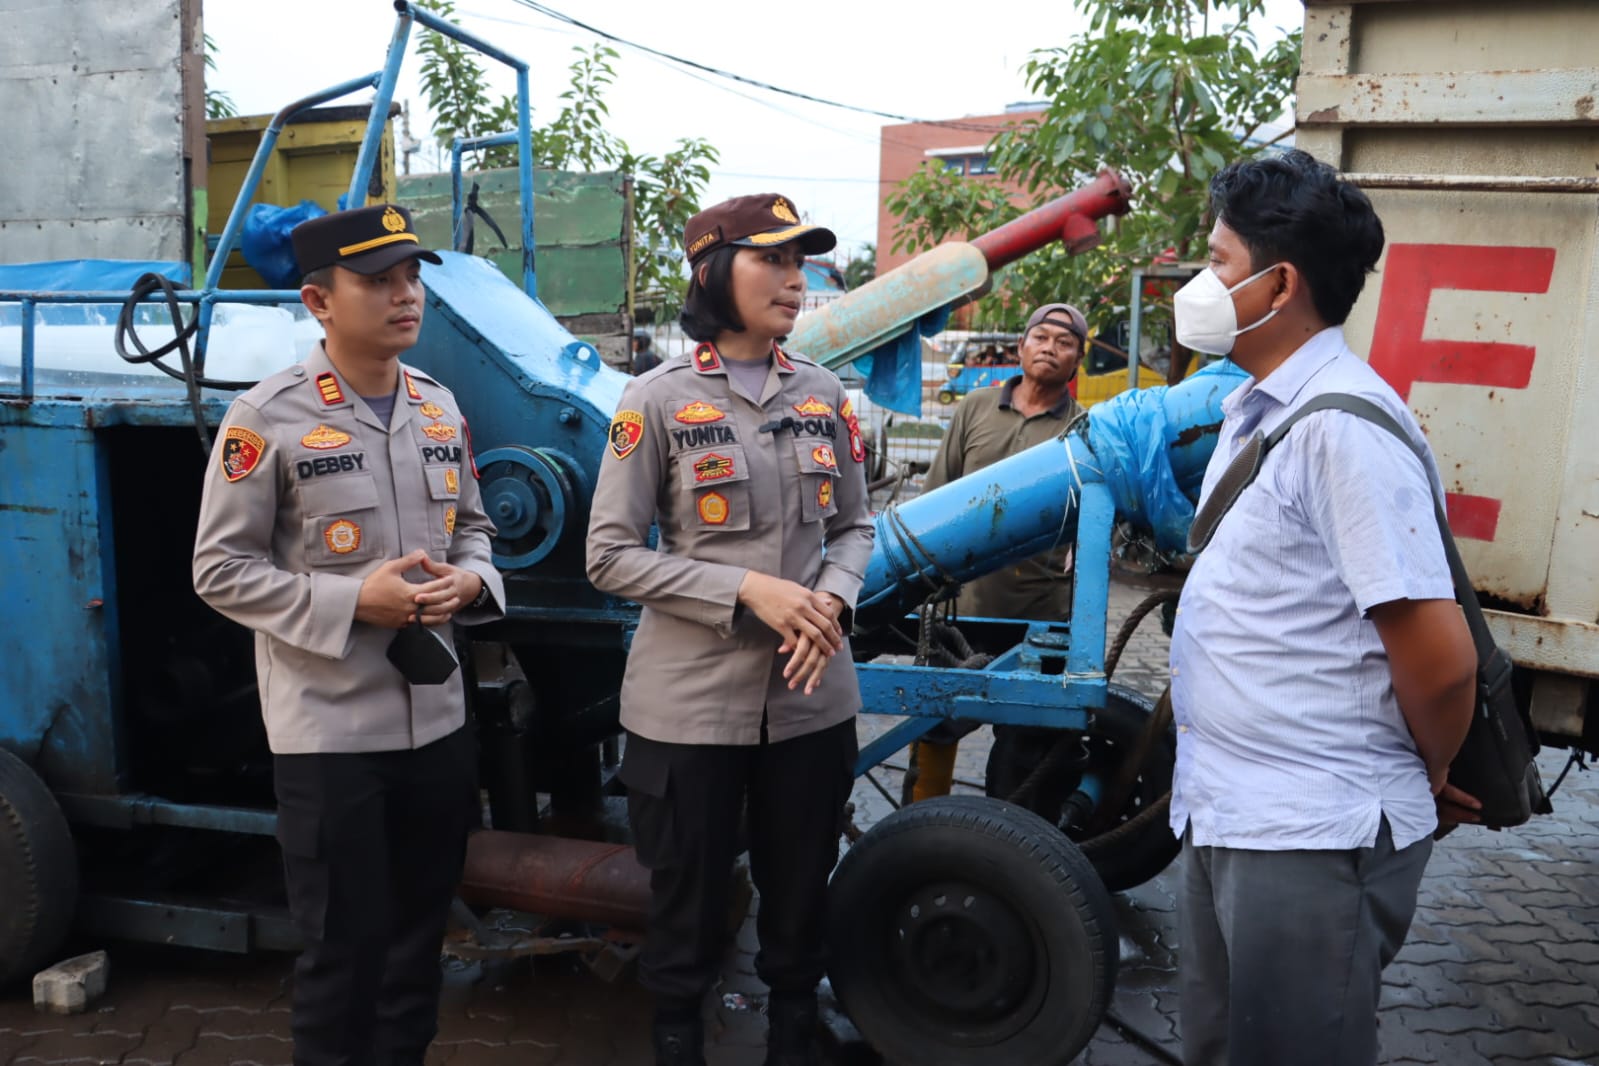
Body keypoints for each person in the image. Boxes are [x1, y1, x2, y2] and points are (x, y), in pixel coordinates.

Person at [1168, 150, 1480, 1066]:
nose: (1204, 282)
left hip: (1310, 827)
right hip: (1229, 809)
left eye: (1219, 262)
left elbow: (1439, 654)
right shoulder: (1260, 408)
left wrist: (1419, 777)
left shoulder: (1343, 426)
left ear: (1280, 283)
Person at [193, 203, 505, 1066]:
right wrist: (349, 604)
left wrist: (474, 579)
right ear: (318, 301)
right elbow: (218, 571)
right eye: (378, 281)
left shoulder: (441, 409)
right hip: (330, 738)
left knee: (418, 951)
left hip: (439, 724)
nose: (406, 296)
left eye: (412, 278)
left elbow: (475, 529)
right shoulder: (268, 418)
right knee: (342, 955)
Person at [586, 192, 873, 1066]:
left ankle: (793, 1025)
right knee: (689, 892)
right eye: (772, 260)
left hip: (808, 698)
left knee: (799, 880)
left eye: (800, 263)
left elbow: (856, 526)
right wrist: (747, 588)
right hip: (689, 707)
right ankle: (677, 1034)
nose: (795, 280)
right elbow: (607, 556)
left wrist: (829, 597)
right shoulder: (657, 399)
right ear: (713, 272)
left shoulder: (824, 395)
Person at [907, 303, 1088, 801]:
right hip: (961, 605)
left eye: (1065, 342)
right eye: (1041, 336)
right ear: (1021, 346)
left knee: (1026, 741)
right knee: (934, 726)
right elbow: (935, 496)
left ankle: (1003, 853)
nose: (1050, 347)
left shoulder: (1085, 428)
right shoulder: (975, 408)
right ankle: (923, 835)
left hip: (1040, 616)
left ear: (1077, 361)